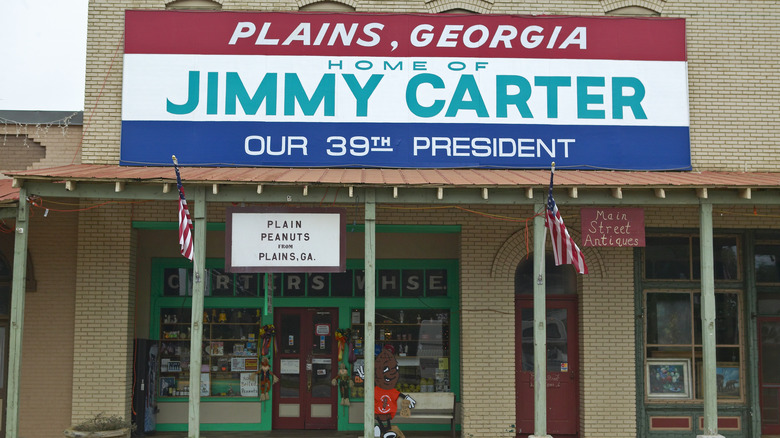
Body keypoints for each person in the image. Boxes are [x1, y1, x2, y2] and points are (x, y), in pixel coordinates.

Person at [358, 347, 416, 438]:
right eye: (385, 370)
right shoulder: (377, 389)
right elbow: (368, 390)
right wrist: (364, 380)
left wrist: (407, 398)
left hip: (387, 413)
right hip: (378, 413)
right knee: (380, 420)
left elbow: (399, 394)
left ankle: (385, 432)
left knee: (388, 422)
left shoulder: (391, 391)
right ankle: (381, 430)